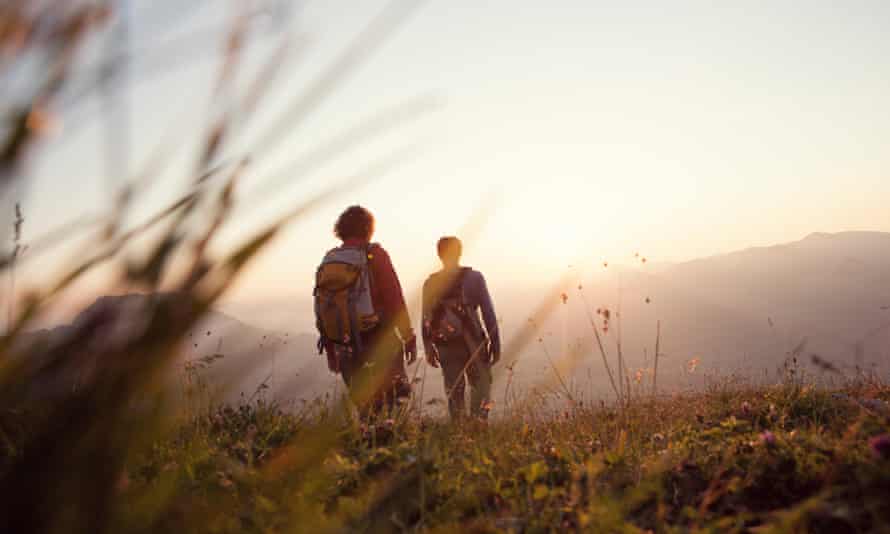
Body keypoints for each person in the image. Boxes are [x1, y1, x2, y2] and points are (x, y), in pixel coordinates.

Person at [314, 206, 417, 418]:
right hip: (379, 339)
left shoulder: (330, 259)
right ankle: (389, 448)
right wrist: (408, 336)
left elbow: (323, 306)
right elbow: (394, 298)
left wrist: (331, 348)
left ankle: (367, 448)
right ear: (369, 229)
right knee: (393, 405)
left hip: (344, 344)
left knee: (365, 408)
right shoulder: (375, 255)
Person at [422, 236, 500, 420]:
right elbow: (488, 313)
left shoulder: (430, 283)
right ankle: (478, 431)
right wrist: (495, 344)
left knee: (454, 393)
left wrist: (428, 348)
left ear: (439, 254)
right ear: (459, 252)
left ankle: (458, 436)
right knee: (480, 389)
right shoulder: (474, 278)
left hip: (445, 345)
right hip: (473, 342)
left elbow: (426, 318)